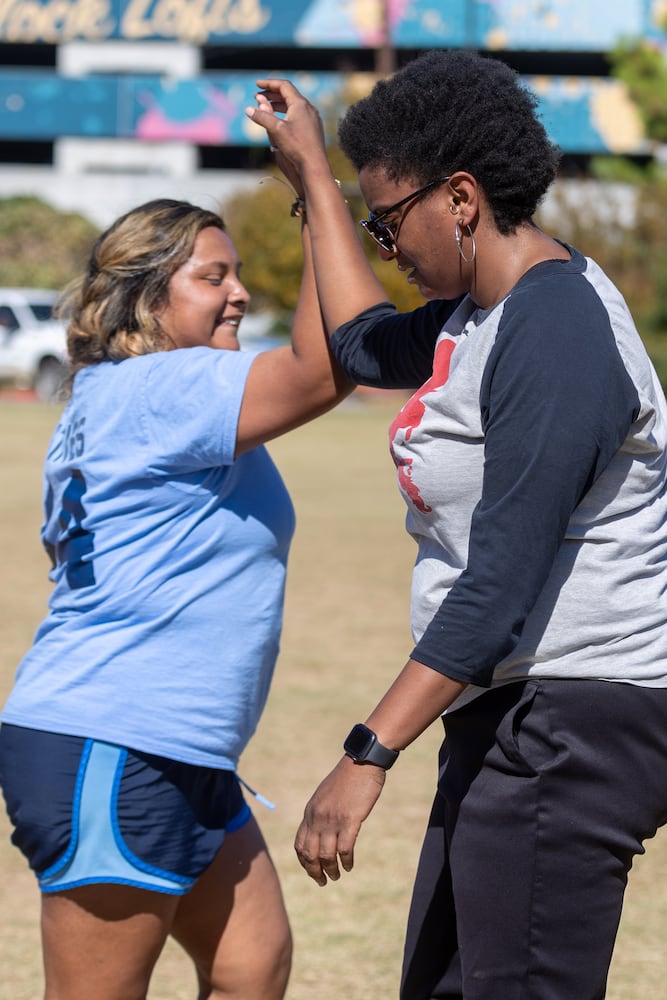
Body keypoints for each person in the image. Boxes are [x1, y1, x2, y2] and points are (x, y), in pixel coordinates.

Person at [245, 50, 667, 1000]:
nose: (385, 247)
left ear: (462, 197)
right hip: (509, 715)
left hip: (575, 723)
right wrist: (313, 175)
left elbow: (502, 580)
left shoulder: (556, 332)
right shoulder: (477, 315)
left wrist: (366, 754)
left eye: (389, 222)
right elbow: (357, 341)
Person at [0, 196, 352, 1000]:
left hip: (174, 748)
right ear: (145, 297)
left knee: (249, 969)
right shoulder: (164, 388)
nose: (237, 294)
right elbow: (322, 367)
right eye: (211, 277)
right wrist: (317, 197)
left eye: (236, 276)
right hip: (115, 743)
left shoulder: (120, 395)